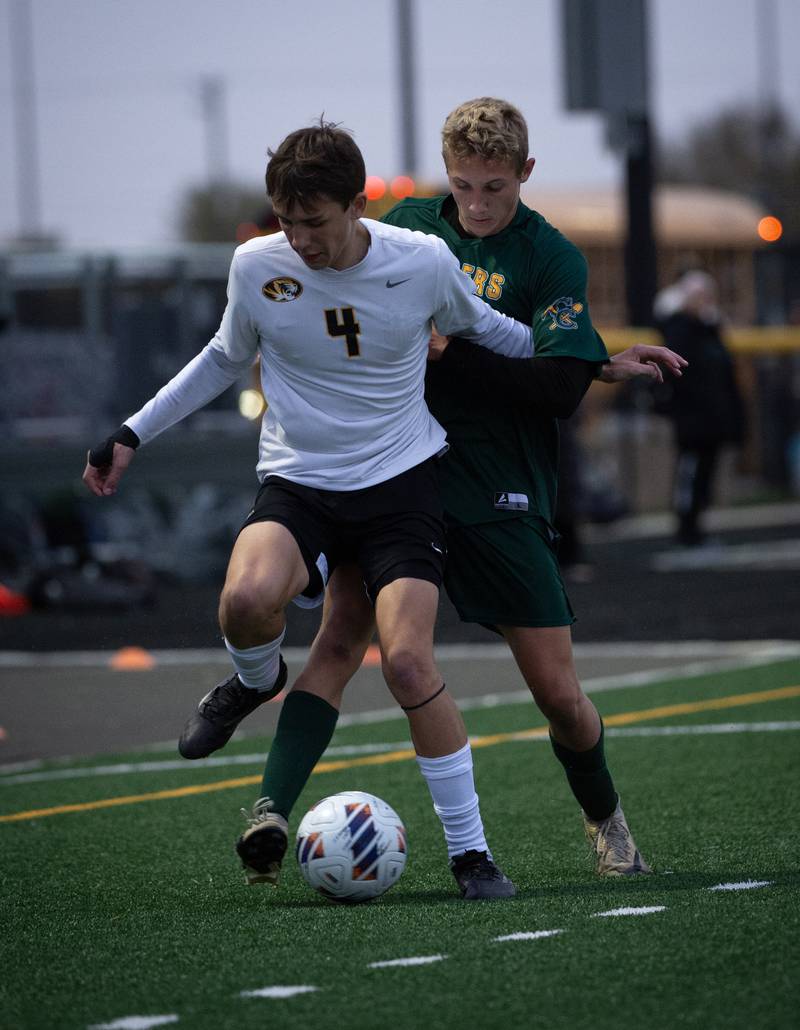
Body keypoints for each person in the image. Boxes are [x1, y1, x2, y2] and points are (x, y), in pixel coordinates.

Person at [196, 99, 686, 890]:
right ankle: (270, 817)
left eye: (495, 186)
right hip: (389, 474)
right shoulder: (413, 224)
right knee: (343, 640)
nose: (478, 204)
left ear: (524, 175)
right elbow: (329, 283)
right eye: (464, 185)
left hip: (496, 482)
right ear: (444, 174)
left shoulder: (550, 257)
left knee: (558, 691)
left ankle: (606, 820)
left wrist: (577, 361)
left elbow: (551, 381)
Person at [83, 119, 551, 901]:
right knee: (244, 600)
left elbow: (497, 333)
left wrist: (599, 363)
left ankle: (473, 855)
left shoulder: (422, 261)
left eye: (315, 222)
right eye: (286, 220)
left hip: (402, 486)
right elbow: (222, 358)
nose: (298, 238)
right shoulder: (254, 266)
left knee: (404, 662)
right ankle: (252, 679)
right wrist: (133, 432)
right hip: (301, 482)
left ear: (358, 206)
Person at [653, 269, 745, 546]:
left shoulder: (712, 331)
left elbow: (726, 379)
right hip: (691, 421)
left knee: (703, 477)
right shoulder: (678, 329)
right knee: (689, 475)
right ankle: (686, 529)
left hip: (712, 420)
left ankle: (696, 528)